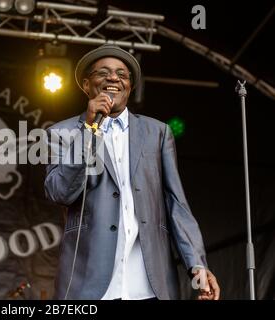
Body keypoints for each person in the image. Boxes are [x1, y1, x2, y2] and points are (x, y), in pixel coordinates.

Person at [44, 44, 220, 300]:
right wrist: (89, 130)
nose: (113, 78)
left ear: (130, 86)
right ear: (86, 84)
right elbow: (60, 192)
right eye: (103, 73)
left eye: (122, 74)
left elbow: (176, 204)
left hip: (149, 285)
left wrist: (198, 266)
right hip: (89, 286)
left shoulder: (157, 133)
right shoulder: (62, 133)